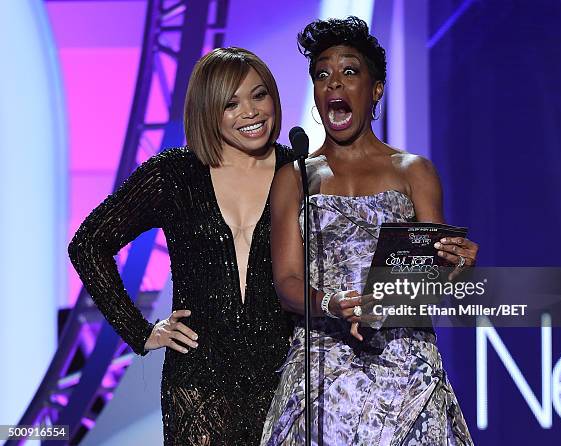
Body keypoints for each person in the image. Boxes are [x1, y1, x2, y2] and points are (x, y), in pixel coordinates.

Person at [260, 17, 478, 445]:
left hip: (405, 368)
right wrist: (331, 302)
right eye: (322, 74)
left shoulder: (413, 171)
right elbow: (286, 281)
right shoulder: (294, 176)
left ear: (375, 89)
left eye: (349, 72)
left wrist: (459, 265)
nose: (334, 84)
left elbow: (432, 276)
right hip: (321, 374)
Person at [68, 47, 294, 445]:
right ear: (207, 111)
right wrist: (139, 331)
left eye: (259, 95)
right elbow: (89, 244)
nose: (251, 112)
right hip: (198, 383)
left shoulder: (300, 172)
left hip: (283, 378)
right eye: (231, 103)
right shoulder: (172, 174)